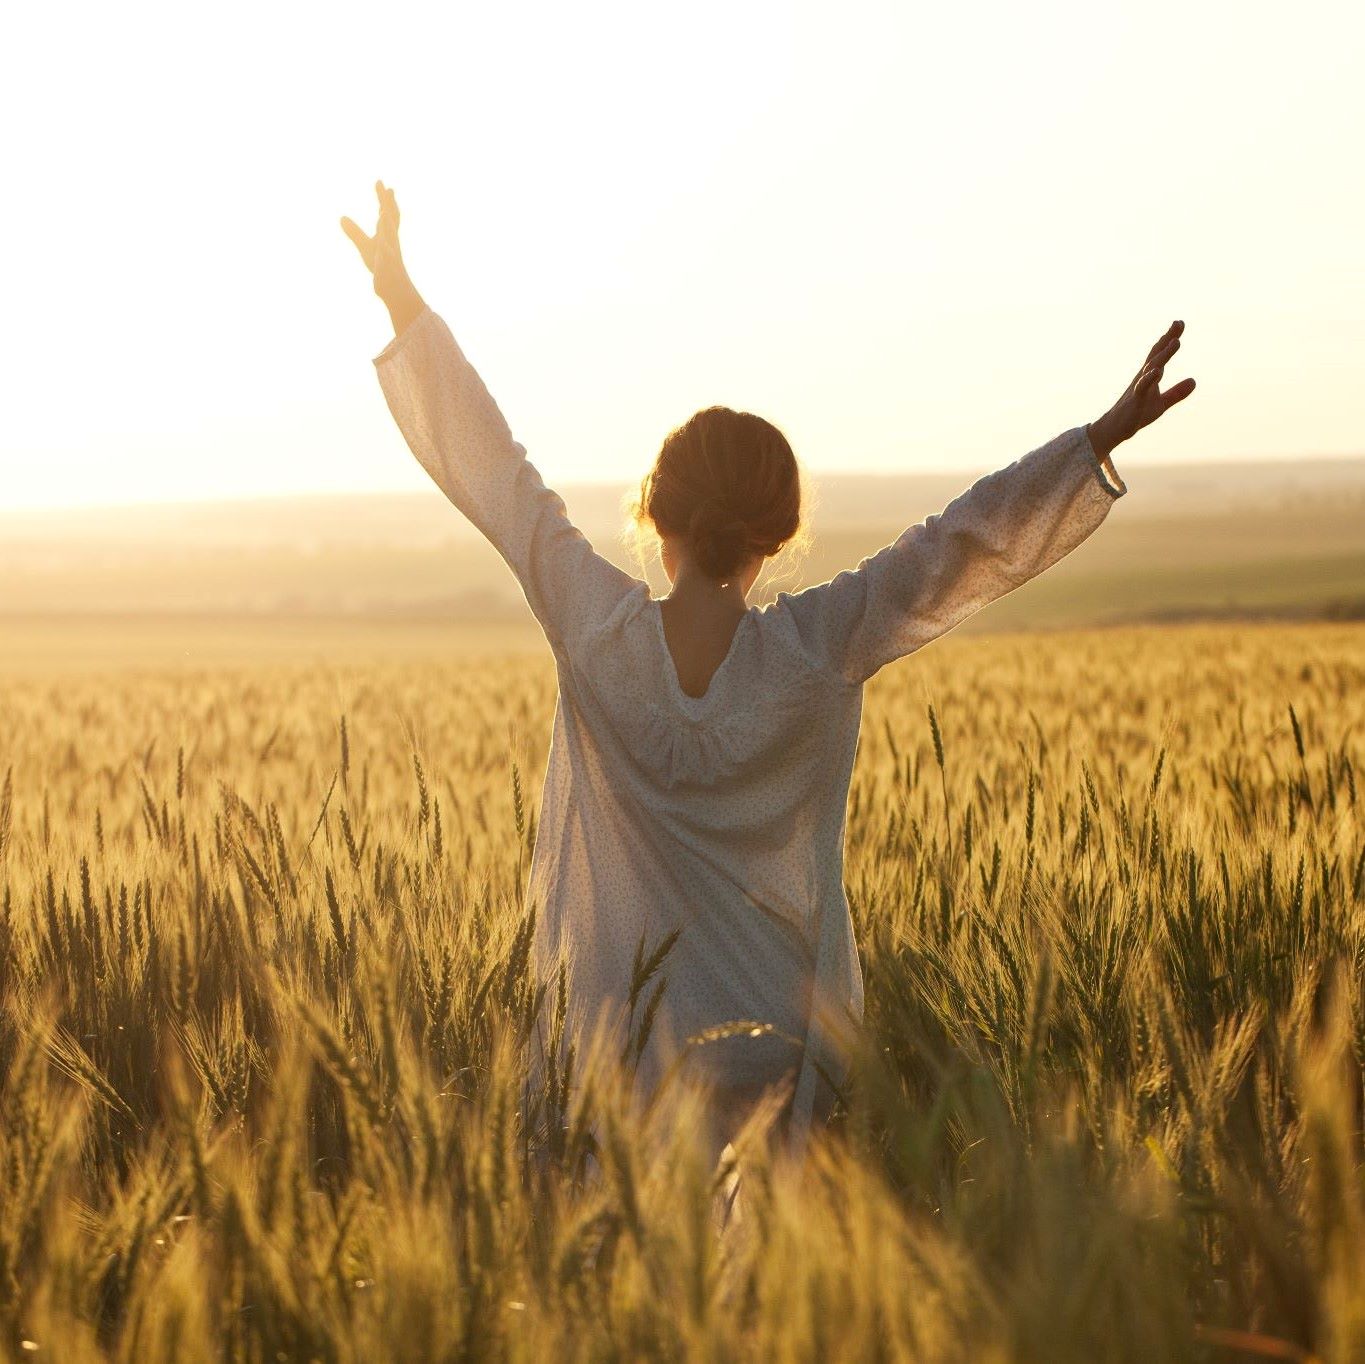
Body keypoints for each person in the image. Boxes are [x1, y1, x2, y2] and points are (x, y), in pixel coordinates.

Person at [341, 181, 1196, 1172]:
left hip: (623, 1068)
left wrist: (402, 296)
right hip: (783, 1069)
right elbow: (964, 542)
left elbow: (496, 472)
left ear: (654, 515)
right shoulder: (820, 646)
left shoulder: (593, 629)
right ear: (776, 534)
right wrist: (1097, 440)